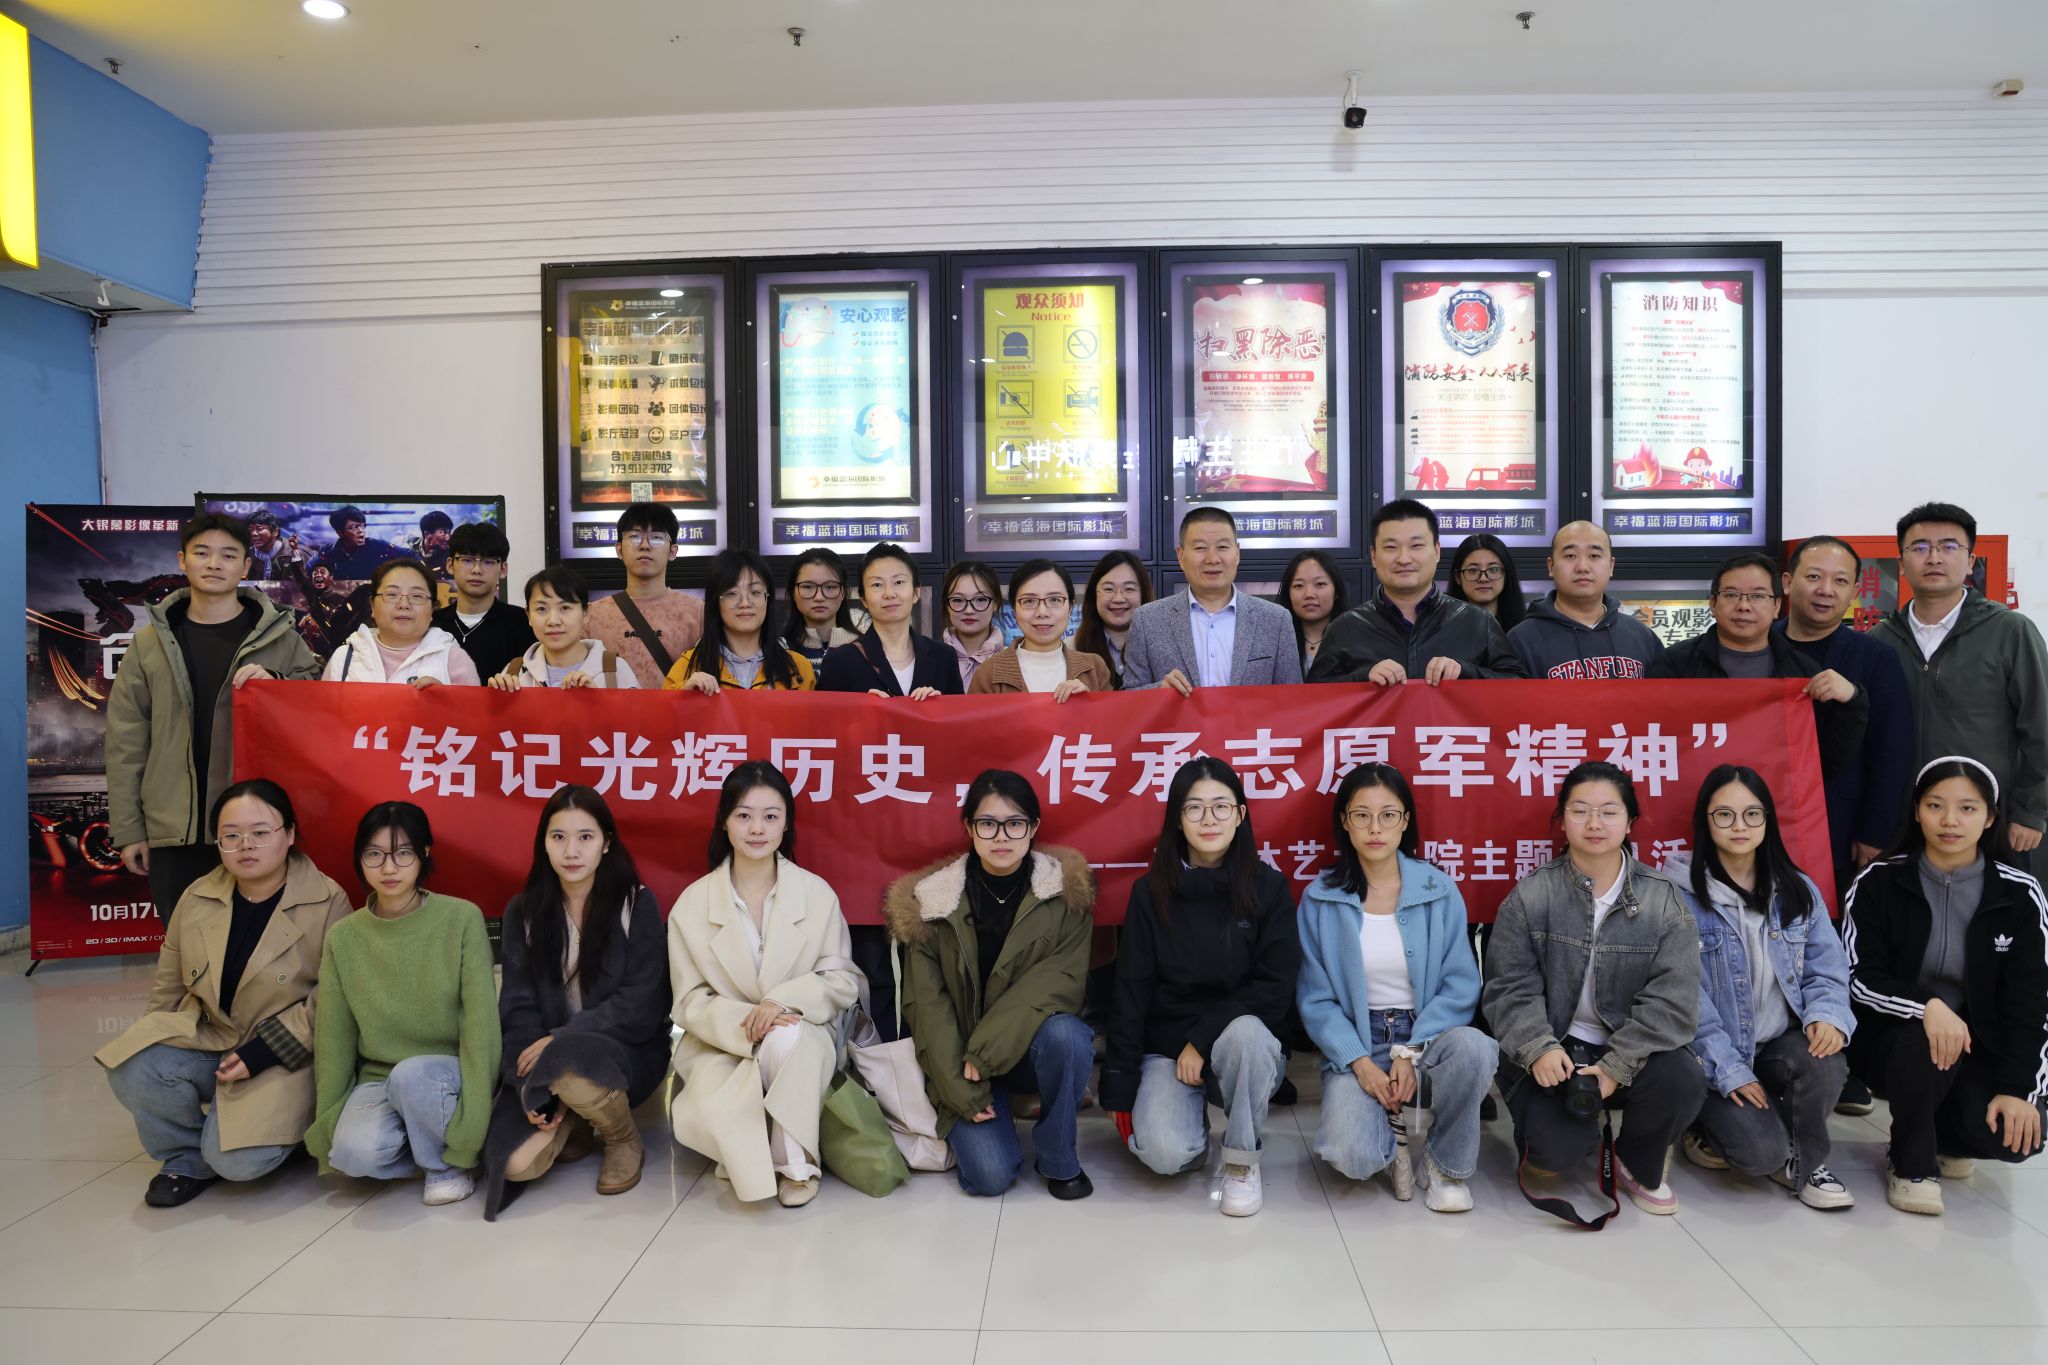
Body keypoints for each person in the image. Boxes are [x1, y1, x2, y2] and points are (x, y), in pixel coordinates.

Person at [98, 779, 353, 1208]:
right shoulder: (197, 896)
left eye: (260, 832)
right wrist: (151, 1036)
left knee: (237, 1165)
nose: (245, 846)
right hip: (211, 1037)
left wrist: (261, 1053)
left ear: (289, 834)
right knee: (132, 1062)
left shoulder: (328, 900)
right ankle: (185, 1156)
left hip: (282, 1051)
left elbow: (332, 999)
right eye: (230, 836)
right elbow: (167, 986)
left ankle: (277, 1136)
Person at [1482, 762, 1704, 1216]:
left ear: (1630, 821)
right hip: (1557, 1050)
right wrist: (1538, 1047)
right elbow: (1508, 988)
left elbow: (1673, 999)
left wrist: (1617, 1064)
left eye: (1608, 811)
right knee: (1553, 1157)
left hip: (1634, 1051)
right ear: (1562, 820)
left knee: (1683, 1078)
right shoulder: (1532, 895)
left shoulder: (1663, 899)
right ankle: (1559, 1131)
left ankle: (1635, 1159)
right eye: (1580, 810)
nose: (1594, 823)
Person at [1845, 756, 2048, 1215]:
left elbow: (2033, 1001)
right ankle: (1910, 1164)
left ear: (1991, 817)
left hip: (1979, 1047)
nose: (1950, 820)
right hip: (1892, 1042)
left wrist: (2019, 1090)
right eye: (1935, 805)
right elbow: (1859, 977)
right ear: (1917, 811)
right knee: (1924, 1042)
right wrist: (1927, 1006)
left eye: (1967, 808)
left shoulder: (2019, 893)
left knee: (2014, 1135)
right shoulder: (1878, 881)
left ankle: (1944, 1137)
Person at [885, 769, 1097, 1197]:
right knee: (989, 1177)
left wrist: (988, 1053)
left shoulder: (1065, 895)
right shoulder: (931, 904)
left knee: (1069, 1036)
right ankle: (993, 1113)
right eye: (988, 823)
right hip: (962, 1060)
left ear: (1033, 828)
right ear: (969, 827)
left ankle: (1058, 1156)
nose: (1002, 836)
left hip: (1020, 1051)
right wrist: (960, 1089)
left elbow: (1059, 982)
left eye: (1015, 823)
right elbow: (927, 1008)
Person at [1101, 758, 1299, 1216]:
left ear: (1241, 814)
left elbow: (1275, 986)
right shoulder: (1149, 892)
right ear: (1177, 818)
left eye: (1221, 807)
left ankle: (1241, 1161)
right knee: (1164, 1156)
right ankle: (1193, 1134)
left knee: (1247, 1035)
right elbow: (1131, 990)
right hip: (1168, 1047)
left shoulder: (1268, 888)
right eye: (1194, 808)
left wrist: (1202, 1040)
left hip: (1242, 1042)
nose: (1209, 820)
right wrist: (1119, 1084)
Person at [1296, 763, 1497, 1212]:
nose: (1375, 828)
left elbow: (1460, 984)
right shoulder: (1321, 897)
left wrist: (1411, 1051)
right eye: (1361, 815)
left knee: (1475, 1049)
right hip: (1360, 1039)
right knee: (1352, 1158)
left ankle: (1444, 1165)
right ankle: (1391, 1135)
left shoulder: (1438, 889)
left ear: (1405, 821)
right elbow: (1316, 999)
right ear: (1344, 821)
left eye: (1388, 815)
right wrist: (1360, 1062)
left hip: (1427, 1034)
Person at [108, 513, 323, 922]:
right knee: (185, 941)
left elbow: (318, 705)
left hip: (256, 824)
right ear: (182, 560)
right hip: (175, 826)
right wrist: (130, 828)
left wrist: (278, 683)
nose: (214, 564)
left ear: (246, 565)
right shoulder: (150, 643)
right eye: (202, 553)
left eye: (228, 555)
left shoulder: (280, 636)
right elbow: (126, 740)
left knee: (261, 941)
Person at [669, 763, 860, 1207]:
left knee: (788, 1037)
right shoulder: (693, 903)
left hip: (805, 1033)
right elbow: (689, 1000)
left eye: (771, 816)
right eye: (743, 815)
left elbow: (841, 979)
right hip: (722, 1044)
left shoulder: (816, 894)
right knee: (736, 1084)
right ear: (724, 820)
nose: (757, 829)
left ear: (786, 823)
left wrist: (781, 1003)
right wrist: (750, 1022)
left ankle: (795, 1165)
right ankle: (764, 1150)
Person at [1671, 765, 1857, 1210]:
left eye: (1752, 814)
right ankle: (1705, 1126)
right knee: (1759, 1155)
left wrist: (1827, 1015)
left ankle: (1807, 1162)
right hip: (1713, 1055)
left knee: (1825, 1061)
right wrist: (1728, 1069)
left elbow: (1828, 968)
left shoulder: (1798, 889)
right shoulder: (1678, 895)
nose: (1740, 826)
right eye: (1725, 815)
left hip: (1776, 1045)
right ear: (1705, 821)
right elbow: (1681, 995)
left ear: (1768, 820)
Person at [483, 786, 669, 1216]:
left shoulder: (636, 903)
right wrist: (527, 1085)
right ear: (544, 844)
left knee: (569, 1058)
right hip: (549, 1060)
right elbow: (517, 1007)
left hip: (627, 1054)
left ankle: (622, 1138)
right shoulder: (523, 911)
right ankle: (574, 1115)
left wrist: (561, 1039)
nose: (571, 851)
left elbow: (642, 1004)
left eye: (585, 837)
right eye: (558, 837)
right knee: (514, 1166)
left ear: (606, 843)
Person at [306, 802, 500, 1205]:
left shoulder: (462, 918)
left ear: (424, 853)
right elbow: (334, 1040)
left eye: (403, 853)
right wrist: (329, 1123)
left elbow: (480, 1029)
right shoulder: (343, 937)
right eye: (374, 854)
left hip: (446, 1075)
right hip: (380, 1079)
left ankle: (447, 1166)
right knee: (351, 1155)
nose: (388, 868)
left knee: (412, 1077)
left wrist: (472, 1129)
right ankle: (425, 1142)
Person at [1870, 503, 2048, 875]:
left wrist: (2031, 811)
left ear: (1970, 562)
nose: (1934, 558)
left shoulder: (2011, 631)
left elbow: (2041, 727)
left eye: (1949, 547)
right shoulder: (1879, 641)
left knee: (1994, 911)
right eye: (1920, 548)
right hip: (1904, 824)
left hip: (1990, 821)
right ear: (1901, 563)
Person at [1649, 553, 1869, 774]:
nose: (1744, 605)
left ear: (1776, 606)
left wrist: (1852, 699)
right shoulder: (1676, 665)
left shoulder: (1803, 671)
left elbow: (1830, 759)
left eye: (1758, 596)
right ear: (1713, 604)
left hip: (1774, 794)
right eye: (1731, 594)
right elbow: (1652, 739)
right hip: (1696, 789)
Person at [1309, 500, 1526, 686]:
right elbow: (1312, 702)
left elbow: (1519, 685)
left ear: (1437, 551)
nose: (1404, 559)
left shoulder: (1478, 622)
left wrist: (1466, 671)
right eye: (1391, 547)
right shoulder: (1345, 628)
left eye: (1416, 546)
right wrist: (1362, 678)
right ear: (1374, 556)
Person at [1122, 508, 1302, 693]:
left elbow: (1294, 697)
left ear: (1237, 553)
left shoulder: (1276, 620)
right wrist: (1158, 691)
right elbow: (1129, 696)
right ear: (1181, 556)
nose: (1212, 559)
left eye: (1222, 547)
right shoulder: (1147, 620)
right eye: (1200, 548)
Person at [1509, 521, 1665, 679]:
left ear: (1611, 566)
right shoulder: (1521, 641)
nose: (1582, 567)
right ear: (1551, 566)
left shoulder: (1642, 636)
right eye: (1570, 556)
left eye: (1594, 556)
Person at [583, 502, 706, 688]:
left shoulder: (698, 613)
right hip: (611, 708)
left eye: (656, 538)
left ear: (673, 551)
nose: (645, 545)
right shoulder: (592, 616)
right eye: (634, 537)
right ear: (619, 549)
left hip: (677, 708)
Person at [817, 542, 962, 697]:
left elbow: (959, 712)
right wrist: (861, 709)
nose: (889, 594)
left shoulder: (944, 657)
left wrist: (939, 706)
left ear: (916, 592)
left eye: (898, 582)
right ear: (864, 598)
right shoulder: (840, 662)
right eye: (877, 584)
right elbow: (825, 713)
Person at [664, 548, 815, 693]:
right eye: (732, 593)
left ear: (767, 599)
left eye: (755, 592)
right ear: (715, 602)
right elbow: (663, 708)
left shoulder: (799, 668)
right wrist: (685, 694)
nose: (745, 603)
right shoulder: (688, 667)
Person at [322, 558, 481, 686]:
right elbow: (324, 715)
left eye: (417, 596)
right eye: (392, 594)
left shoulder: (453, 659)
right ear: (372, 605)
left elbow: (473, 716)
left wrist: (447, 702)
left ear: (432, 609)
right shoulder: (344, 658)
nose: (404, 604)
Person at [968, 559, 1110, 699]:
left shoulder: (1095, 668)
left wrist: (1090, 704)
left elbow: (1111, 713)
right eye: (1029, 601)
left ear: (1070, 607)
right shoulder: (987, 674)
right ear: (1014, 611)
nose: (1042, 612)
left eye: (1054, 599)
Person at [490, 564, 637, 690]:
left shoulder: (615, 671)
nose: (553, 621)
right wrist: (495, 703)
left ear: (585, 613)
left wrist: (598, 703)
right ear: (528, 616)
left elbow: (637, 716)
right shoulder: (514, 673)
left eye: (565, 608)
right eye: (541, 609)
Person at [431, 521, 534, 679]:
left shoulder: (525, 623)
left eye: (488, 562)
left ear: (503, 569)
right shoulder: (431, 624)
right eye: (467, 560)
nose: (476, 570)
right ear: (450, 565)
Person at [1072, 551, 1154, 689]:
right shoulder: (1070, 649)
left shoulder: (1162, 648)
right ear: (1094, 594)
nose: (1118, 599)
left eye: (1129, 589)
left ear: (1143, 594)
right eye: (1109, 589)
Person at [780, 547, 862, 666]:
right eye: (808, 587)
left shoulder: (866, 650)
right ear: (793, 592)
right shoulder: (778, 652)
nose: (819, 597)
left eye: (830, 587)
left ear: (843, 592)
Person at [1283, 549, 1350, 676]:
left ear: (1336, 591)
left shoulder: (1355, 637)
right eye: (1299, 586)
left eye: (1320, 584)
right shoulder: (1275, 641)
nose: (1309, 594)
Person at [939, 560, 1005, 688]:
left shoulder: (1013, 662)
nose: (969, 610)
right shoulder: (927, 661)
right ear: (947, 605)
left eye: (980, 599)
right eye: (958, 600)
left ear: (996, 603)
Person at [1444, 533, 1527, 634]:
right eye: (1473, 570)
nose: (1483, 578)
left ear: (1506, 575)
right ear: (1458, 577)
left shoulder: (1525, 632)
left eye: (1493, 569)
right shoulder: (1441, 631)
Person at [315, 504, 406, 579]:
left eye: (362, 526)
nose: (361, 530)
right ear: (340, 533)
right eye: (354, 527)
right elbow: (310, 569)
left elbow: (409, 555)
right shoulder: (327, 552)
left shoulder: (378, 547)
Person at [414, 510, 454, 574]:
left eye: (449, 532)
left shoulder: (450, 556)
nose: (448, 538)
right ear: (427, 534)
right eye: (443, 533)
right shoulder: (409, 548)